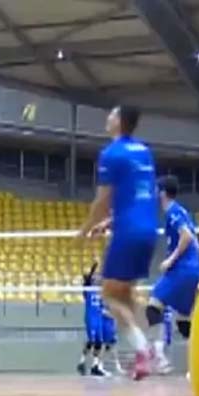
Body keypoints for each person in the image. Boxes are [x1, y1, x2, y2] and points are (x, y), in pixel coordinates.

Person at [78, 104, 158, 380]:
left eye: (111, 114)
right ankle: (150, 351)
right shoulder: (144, 152)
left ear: (120, 121)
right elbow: (139, 195)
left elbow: (102, 200)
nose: (107, 117)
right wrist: (109, 223)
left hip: (128, 232)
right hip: (148, 229)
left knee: (109, 294)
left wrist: (85, 229)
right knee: (127, 296)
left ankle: (143, 349)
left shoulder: (111, 154)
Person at [146, 175, 199, 374]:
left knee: (153, 307)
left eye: (156, 189)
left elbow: (187, 236)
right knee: (183, 321)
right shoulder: (182, 211)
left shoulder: (173, 211)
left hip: (181, 269)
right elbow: (196, 242)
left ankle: (160, 357)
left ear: (162, 193)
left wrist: (170, 260)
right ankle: (196, 367)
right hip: (193, 269)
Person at [78, 262, 108, 377]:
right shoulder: (88, 290)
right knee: (91, 341)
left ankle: (95, 366)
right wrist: (92, 269)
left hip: (99, 318)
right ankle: (82, 361)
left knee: (99, 342)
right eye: (95, 277)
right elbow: (87, 280)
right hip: (90, 317)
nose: (97, 279)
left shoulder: (101, 292)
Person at [100, 306, 123, 375]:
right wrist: (113, 315)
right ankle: (100, 366)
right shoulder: (103, 302)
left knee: (114, 347)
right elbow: (103, 312)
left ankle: (118, 366)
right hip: (105, 327)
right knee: (104, 346)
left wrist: (114, 327)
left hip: (111, 328)